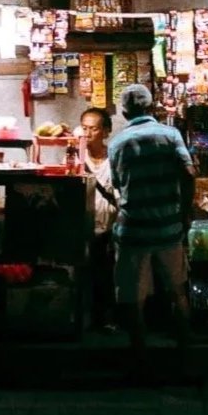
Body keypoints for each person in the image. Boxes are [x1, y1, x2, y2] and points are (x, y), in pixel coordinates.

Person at [107, 83, 197, 381]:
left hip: (133, 230)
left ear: (124, 111)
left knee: (134, 298)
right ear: (151, 108)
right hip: (169, 228)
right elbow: (188, 173)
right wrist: (184, 213)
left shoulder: (117, 143)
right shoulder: (170, 135)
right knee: (177, 292)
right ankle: (185, 358)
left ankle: (140, 363)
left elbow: (119, 185)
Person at [79, 106, 119, 331]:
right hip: (84, 226)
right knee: (87, 274)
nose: (88, 133)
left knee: (108, 275)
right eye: (84, 128)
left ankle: (107, 319)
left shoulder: (114, 158)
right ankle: (87, 319)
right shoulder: (75, 156)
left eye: (93, 129)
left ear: (105, 131)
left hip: (111, 227)